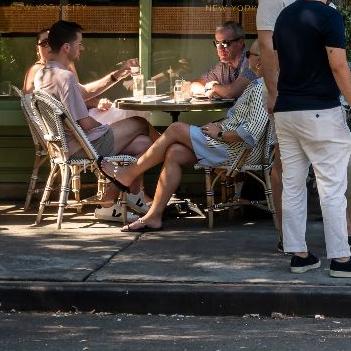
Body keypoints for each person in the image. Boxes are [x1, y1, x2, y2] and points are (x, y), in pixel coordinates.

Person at [255, 0, 351, 251]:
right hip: (296, 97)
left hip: (302, 99)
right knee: (298, 172)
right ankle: (312, 245)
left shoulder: (297, 6)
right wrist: (273, 92)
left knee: (306, 176)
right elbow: (268, 50)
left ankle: (308, 244)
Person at [99, 74, 273, 233]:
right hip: (229, 144)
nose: (250, 58)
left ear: (259, 60)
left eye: (253, 54)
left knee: (175, 128)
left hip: (236, 150)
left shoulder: (262, 87)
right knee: (174, 152)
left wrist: (219, 133)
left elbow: (250, 133)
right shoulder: (258, 84)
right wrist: (219, 127)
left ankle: (130, 173)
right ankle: (154, 216)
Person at [35, 20, 155, 224]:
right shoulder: (65, 77)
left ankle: (109, 203)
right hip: (83, 146)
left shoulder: (44, 74)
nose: (82, 48)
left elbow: (86, 92)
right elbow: (86, 124)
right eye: (79, 43)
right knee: (139, 122)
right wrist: (109, 128)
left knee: (145, 144)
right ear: (66, 47)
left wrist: (117, 75)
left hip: (67, 146)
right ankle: (170, 153)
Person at [190, 21, 254, 101]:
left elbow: (231, 92)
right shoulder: (223, 65)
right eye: (217, 43)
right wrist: (208, 91)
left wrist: (213, 86)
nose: (220, 48)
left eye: (225, 43)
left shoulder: (252, 60)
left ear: (240, 43)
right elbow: (194, 84)